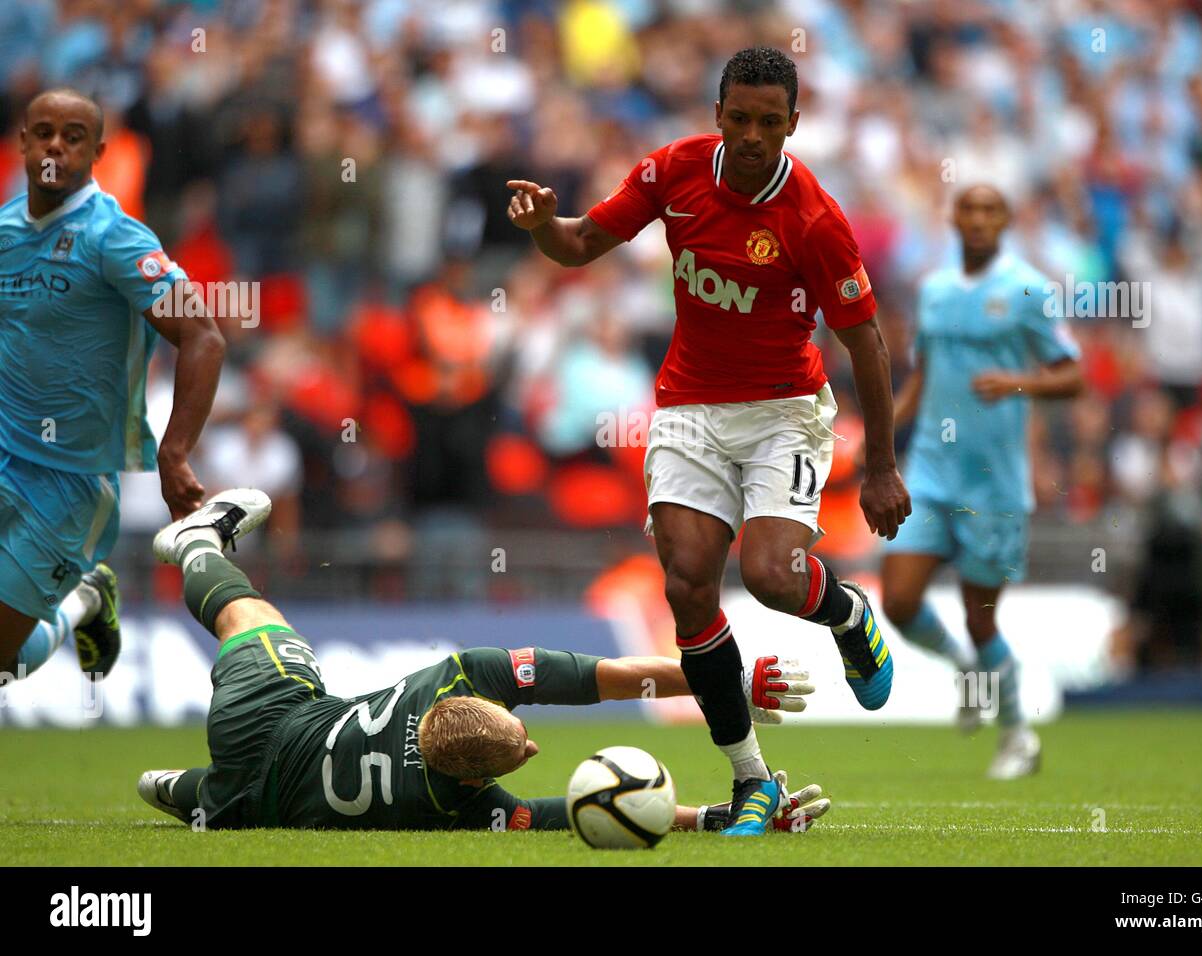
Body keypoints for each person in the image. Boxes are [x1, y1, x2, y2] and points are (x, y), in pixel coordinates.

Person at [506, 46, 910, 835]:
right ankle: (753, 779)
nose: (753, 134)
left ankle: (847, 615)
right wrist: (540, 228)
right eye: (739, 118)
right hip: (689, 409)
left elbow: (868, 345)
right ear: (717, 115)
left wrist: (884, 470)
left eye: (770, 121)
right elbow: (582, 243)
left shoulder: (816, 221)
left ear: (795, 124)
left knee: (769, 576)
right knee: (688, 585)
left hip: (783, 410)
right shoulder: (673, 173)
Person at [137, 489, 831, 834]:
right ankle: (179, 789)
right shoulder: (449, 798)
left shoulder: (464, 674)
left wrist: (731, 682)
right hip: (258, 799)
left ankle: (201, 545)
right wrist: (709, 813)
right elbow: (578, 801)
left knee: (248, 616)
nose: (527, 745)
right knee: (202, 793)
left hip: (269, 722)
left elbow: (608, 688)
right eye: (519, 749)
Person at [0, 88, 224, 685]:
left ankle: (85, 599)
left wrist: (174, 453)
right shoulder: (3, 232)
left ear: (98, 151)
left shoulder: (115, 239)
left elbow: (204, 336)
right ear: (22, 142)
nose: (55, 146)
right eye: (43, 132)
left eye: (73, 137)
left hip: (71, 481)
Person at [883, 185, 1083, 779]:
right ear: (952, 218)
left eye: (989, 209)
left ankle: (1018, 735)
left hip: (993, 484)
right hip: (929, 471)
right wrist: (877, 434)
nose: (976, 219)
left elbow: (1072, 378)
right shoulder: (935, 291)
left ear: (1006, 220)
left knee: (981, 616)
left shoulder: (1028, 290)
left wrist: (1018, 382)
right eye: (967, 209)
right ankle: (965, 668)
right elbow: (922, 378)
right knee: (897, 599)